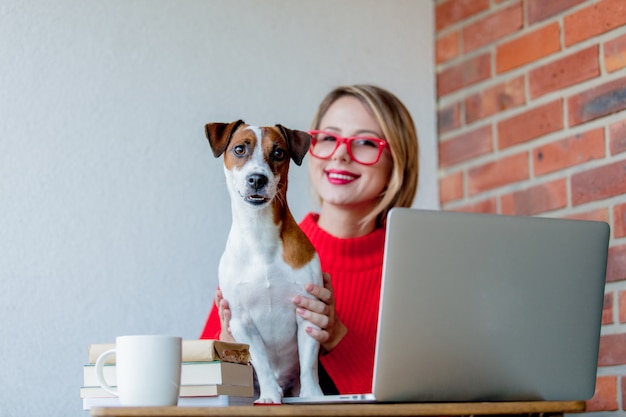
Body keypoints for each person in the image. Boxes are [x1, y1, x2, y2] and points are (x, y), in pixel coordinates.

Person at [200, 84, 419, 395]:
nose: (341, 154)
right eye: (329, 138)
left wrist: (338, 337)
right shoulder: (248, 258)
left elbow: (424, 405)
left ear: (398, 159)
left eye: (365, 142)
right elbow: (198, 395)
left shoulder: (415, 270)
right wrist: (231, 351)